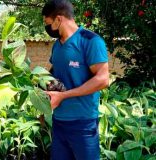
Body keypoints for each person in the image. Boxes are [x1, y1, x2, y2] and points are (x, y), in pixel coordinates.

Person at [42, 0, 109, 159]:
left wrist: (64, 95)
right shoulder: (57, 45)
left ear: (59, 19)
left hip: (83, 124)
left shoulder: (90, 41)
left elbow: (103, 79)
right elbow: (54, 74)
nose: (47, 28)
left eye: (48, 23)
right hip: (58, 122)